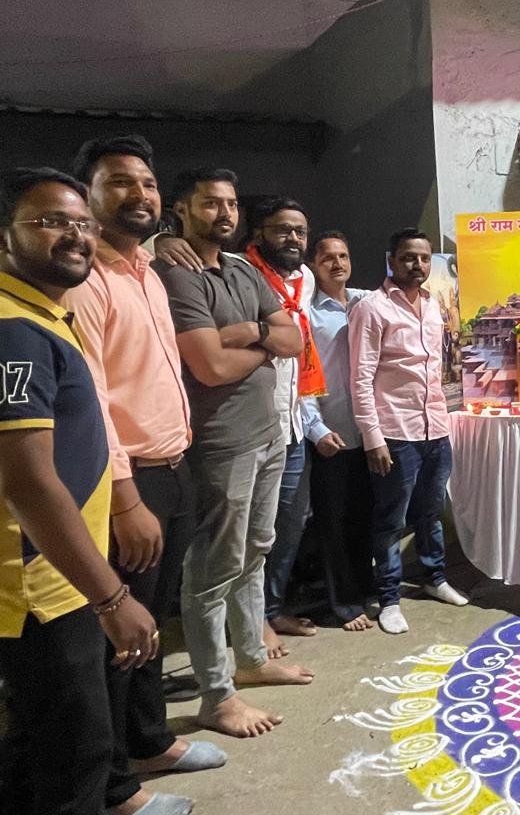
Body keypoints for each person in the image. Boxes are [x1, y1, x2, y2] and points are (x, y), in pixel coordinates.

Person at [0, 167, 178, 815]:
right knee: (75, 757)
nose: (75, 235)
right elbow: (28, 484)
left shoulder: (34, 313)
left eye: (82, 223)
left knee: (42, 744)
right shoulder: (5, 330)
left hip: (46, 576)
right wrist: (112, 596)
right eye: (50, 222)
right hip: (30, 587)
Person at [64, 136, 226, 797]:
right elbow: (93, 398)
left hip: (172, 466)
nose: (139, 194)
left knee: (153, 622)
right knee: (120, 630)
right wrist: (126, 497)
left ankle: (149, 740)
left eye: (148, 183)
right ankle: (112, 783)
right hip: (129, 479)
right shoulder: (87, 283)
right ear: (88, 197)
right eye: (119, 182)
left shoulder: (150, 272)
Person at [154, 167, 313, 739]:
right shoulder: (175, 273)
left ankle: (251, 659)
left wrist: (249, 334)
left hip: (268, 432)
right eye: (209, 203)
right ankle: (216, 695)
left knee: (255, 551)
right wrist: (265, 344)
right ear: (180, 209)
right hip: (220, 442)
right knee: (212, 569)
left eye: (230, 204)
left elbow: (294, 340)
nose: (224, 213)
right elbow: (210, 367)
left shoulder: (243, 269)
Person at [350, 228, 467, 634]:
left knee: (431, 512)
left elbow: (435, 370)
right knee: (391, 520)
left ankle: (435, 578)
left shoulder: (433, 305)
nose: (417, 265)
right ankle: (388, 599)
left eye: (424, 258)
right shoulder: (372, 308)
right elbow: (361, 378)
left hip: (436, 428)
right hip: (396, 433)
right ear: (391, 260)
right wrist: (373, 437)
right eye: (408, 257)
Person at [242, 196, 322, 653]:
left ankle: (270, 609)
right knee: (251, 532)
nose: (293, 238)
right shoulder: (239, 270)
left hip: (292, 422)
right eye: (282, 229)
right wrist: (167, 240)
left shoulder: (305, 278)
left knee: (290, 523)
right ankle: (250, 624)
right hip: (253, 423)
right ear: (260, 234)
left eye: (300, 231)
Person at [299, 230, 375, 632]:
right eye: (327, 257)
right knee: (334, 524)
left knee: (365, 517)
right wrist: (316, 429)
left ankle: (365, 588)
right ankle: (343, 603)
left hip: (371, 434)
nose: (337, 264)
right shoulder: (308, 313)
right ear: (314, 264)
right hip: (334, 433)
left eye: (343, 256)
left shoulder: (367, 302)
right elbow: (302, 375)